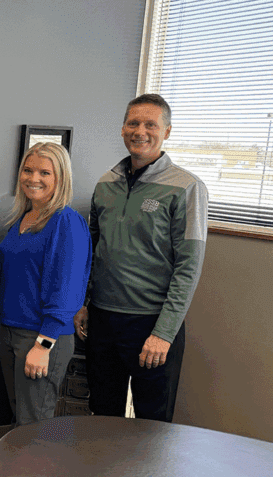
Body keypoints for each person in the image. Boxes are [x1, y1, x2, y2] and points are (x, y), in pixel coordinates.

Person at [0, 141, 91, 477]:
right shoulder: (23, 219)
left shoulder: (66, 222)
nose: (34, 178)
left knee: (33, 424)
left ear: (60, 178)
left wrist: (43, 344)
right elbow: (9, 280)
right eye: (28, 170)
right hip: (11, 331)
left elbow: (68, 286)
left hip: (43, 337)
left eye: (45, 172)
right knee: (22, 420)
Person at [74, 94, 207, 423]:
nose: (140, 131)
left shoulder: (187, 188)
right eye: (133, 123)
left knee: (153, 424)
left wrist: (163, 333)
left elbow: (187, 269)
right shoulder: (106, 184)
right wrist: (85, 303)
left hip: (152, 322)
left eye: (151, 124)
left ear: (167, 131)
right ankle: (105, 476)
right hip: (103, 321)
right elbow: (93, 253)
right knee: (102, 415)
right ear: (122, 129)